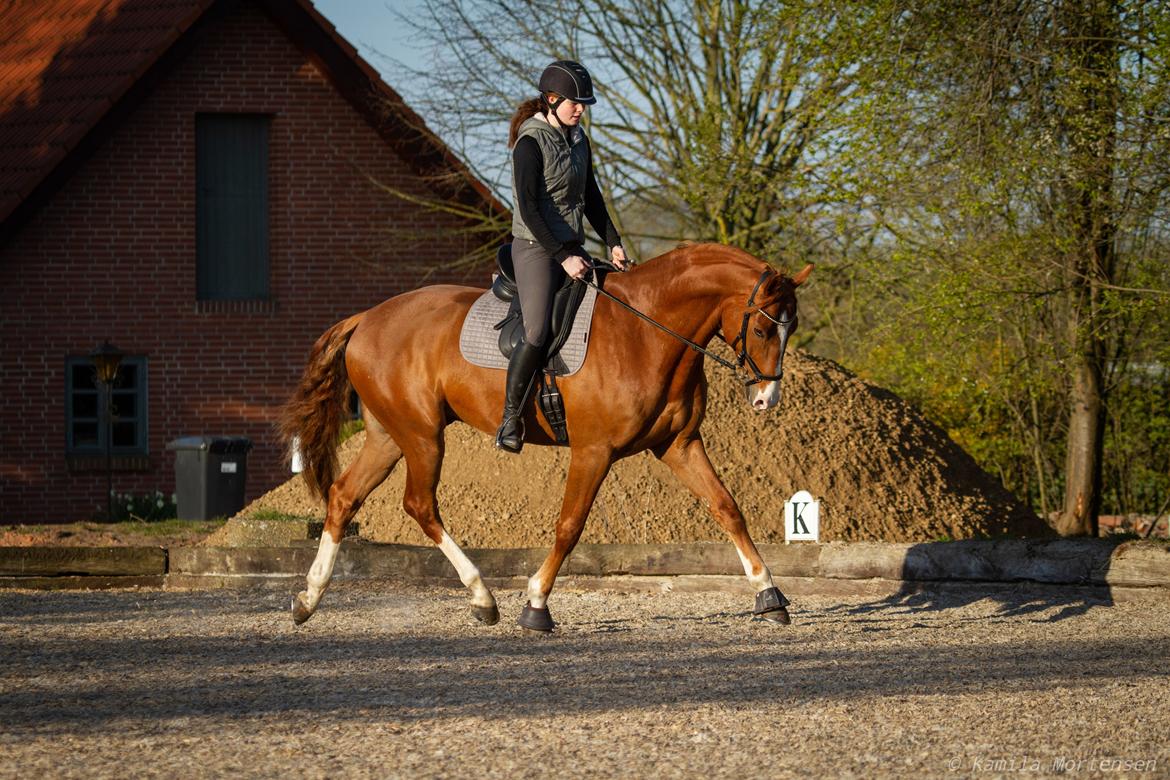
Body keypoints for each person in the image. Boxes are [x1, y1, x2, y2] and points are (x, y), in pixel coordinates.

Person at [496, 60, 627, 453]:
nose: (581, 109)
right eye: (576, 103)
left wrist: (613, 242)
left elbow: (591, 197)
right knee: (537, 330)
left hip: (569, 246)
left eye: (584, 104)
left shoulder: (578, 140)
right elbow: (531, 209)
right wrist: (562, 256)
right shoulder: (530, 143)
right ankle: (509, 419)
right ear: (552, 100)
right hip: (535, 247)